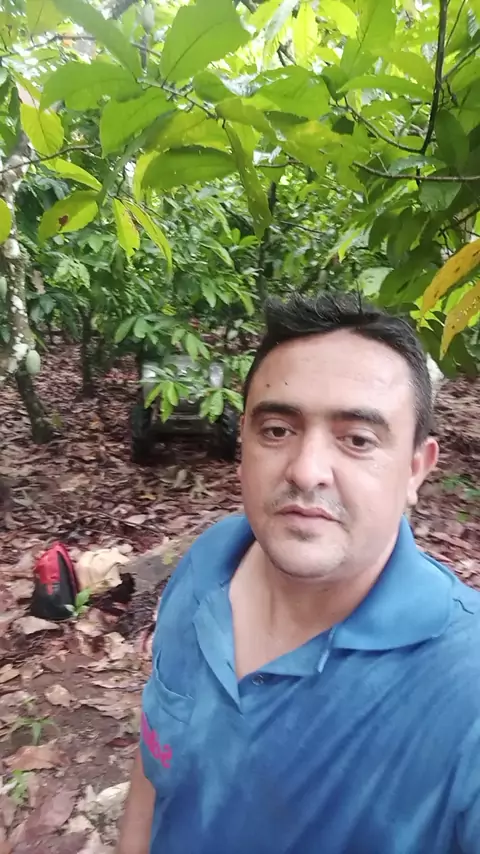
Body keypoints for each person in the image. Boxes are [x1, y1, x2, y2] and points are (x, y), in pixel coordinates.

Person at [116, 292, 480, 854]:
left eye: (357, 439)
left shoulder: (464, 681)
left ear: (415, 470)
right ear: (242, 445)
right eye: (277, 430)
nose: (307, 471)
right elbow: (154, 765)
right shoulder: (208, 561)